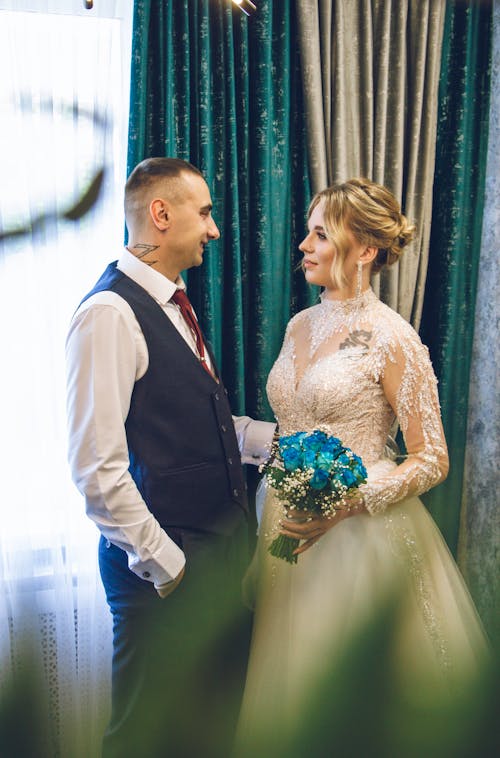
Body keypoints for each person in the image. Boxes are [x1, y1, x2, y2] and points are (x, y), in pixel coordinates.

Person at [235, 178, 489, 753]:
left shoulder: (393, 338)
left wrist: (355, 499)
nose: (303, 244)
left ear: (365, 249)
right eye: (308, 231)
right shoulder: (298, 325)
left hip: (359, 537)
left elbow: (433, 457)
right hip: (286, 528)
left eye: (320, 233)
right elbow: (293, 422)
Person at [65, 157, 275, 757]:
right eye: (204, 212)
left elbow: (187, 424)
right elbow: (97, 469)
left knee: (205, 737)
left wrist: (273, 441)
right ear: (161, 214)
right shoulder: (109, 313)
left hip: (216, 560)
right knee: (145, 740)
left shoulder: (170, 304)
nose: (214, 229)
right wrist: (172, 569)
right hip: (165, 575)